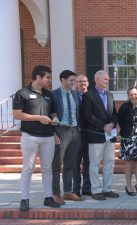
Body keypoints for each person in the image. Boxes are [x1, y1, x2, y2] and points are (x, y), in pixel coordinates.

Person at [12, 65, 61, 211]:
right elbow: (17, 114)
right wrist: (38, 118)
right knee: (28, 168)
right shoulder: (22, 93)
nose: (50, 80)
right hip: (30, 136)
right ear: (38, 77)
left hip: (48, 137)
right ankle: (24, 199)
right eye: (48, 77)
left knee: (47, 169)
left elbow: (53, 113)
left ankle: (48, 197)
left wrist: (55, 120)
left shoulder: (49, 95)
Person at [81, 70, 119, 201]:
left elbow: (114, 113)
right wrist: (103, 126)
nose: (107, 82)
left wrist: (112, 123)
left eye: (108, 80)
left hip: (110, 134)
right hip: (96, 134)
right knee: (95, 163)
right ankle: (95, 190)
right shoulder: (89, 95)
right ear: (96, 79)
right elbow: (88, 115)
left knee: (110, 162)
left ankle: (107, 189)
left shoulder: (110, 95)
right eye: (105, 79)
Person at [52, 70, 83, 204]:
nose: (73, 83)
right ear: (62, 80)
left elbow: (78, 113)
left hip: (75, 131)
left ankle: (68, 192)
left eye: (74, 81)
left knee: (70, 163)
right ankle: (56, 193)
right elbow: (50, 113)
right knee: (57, 164)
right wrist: (53, 132)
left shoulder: (75, 94)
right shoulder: (54, 95)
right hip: (61, 131)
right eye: (71, 80)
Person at [118, 87, 137, 196]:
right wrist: (128, 130)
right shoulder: (124, 106)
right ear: (128, 96)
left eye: (135, 94)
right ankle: (128, 185)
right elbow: (120, 120)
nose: (133, 96)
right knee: (129, 162)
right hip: (129, 138)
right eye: (131, 94)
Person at [73, 74, 91, 197]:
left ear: (88, 83)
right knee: (75, 162)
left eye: (84, 81)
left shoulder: (92, 96)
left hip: (90, 134)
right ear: (75, 83)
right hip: (75, 135)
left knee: (89, 163)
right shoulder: (72, 96)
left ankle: (87, 188)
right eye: (80, 81)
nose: (82, 83)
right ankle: (76, 189)